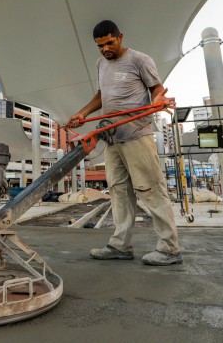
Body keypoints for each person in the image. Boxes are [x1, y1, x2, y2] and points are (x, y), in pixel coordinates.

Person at [68, 20, 182, 266]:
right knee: (119, 193)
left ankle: (169, 248)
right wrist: (83, 113)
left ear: (120, 37)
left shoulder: (140, 60)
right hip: (112, 138)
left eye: (109, 42)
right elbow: (100, 95)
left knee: (150, 190)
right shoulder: (101, 64)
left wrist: (159, 99)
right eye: (100, 46)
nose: (105, 49)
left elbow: (157, 88)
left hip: (136, 135)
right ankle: (120, 245)